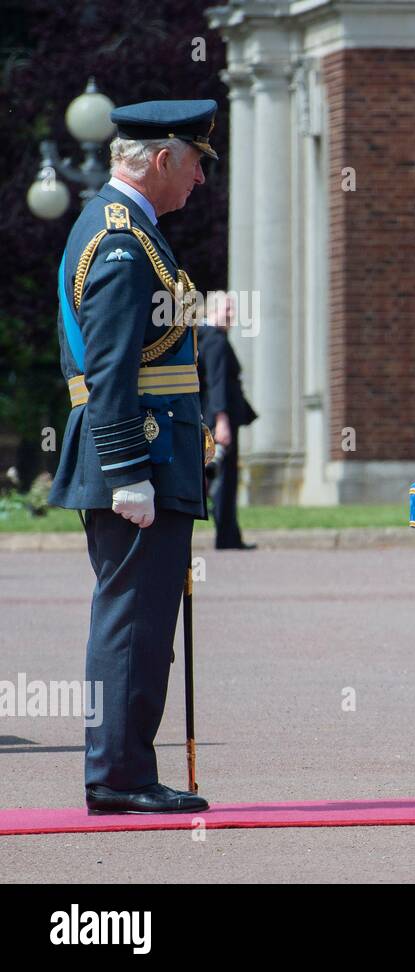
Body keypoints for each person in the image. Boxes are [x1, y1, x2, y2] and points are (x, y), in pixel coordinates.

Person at [48, 99, 219, 813]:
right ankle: (119, 777)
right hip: (137, 458)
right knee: (132, 625)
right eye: (197, 164)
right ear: (160, 159)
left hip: (149, 455)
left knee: (142, 624)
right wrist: (128, 475)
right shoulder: (122, 243)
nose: (201, 182)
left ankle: (123, 771)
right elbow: (113, 370)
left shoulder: (129, 232)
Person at [198, 293, 257, 550]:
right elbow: (218, 384)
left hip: (212, 417)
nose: (231, 314)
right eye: (227, 309)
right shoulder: (216, 341)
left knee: (216, 476)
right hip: (220, 420)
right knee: (223, 478)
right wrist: (222, 421)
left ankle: (229, 535)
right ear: (212, 311)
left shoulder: (204, 338)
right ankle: (227, 537)